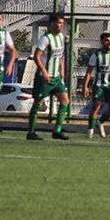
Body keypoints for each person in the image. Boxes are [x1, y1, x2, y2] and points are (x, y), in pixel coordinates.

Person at [27, 13, 68, 141]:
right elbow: (37, 56)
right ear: (51, 24)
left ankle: (57, 130)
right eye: (58, 23)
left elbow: (60, 55)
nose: (60, 26)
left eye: (62, 23)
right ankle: (31, 132)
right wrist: (44, 71)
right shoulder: (45, 38)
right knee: (37, 104)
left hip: (56, 78)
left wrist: (61, 69)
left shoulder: (61, 37)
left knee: (65, 101)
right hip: (44, 77)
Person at [82, 32, 110, 139]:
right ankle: (90, 131)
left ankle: (100, 122)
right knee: (95, 107)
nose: (109, 42)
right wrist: (85, 86)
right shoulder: (96, 55)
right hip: (99, 85)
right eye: (107, 40)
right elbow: (89, 72)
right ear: (102, 42)